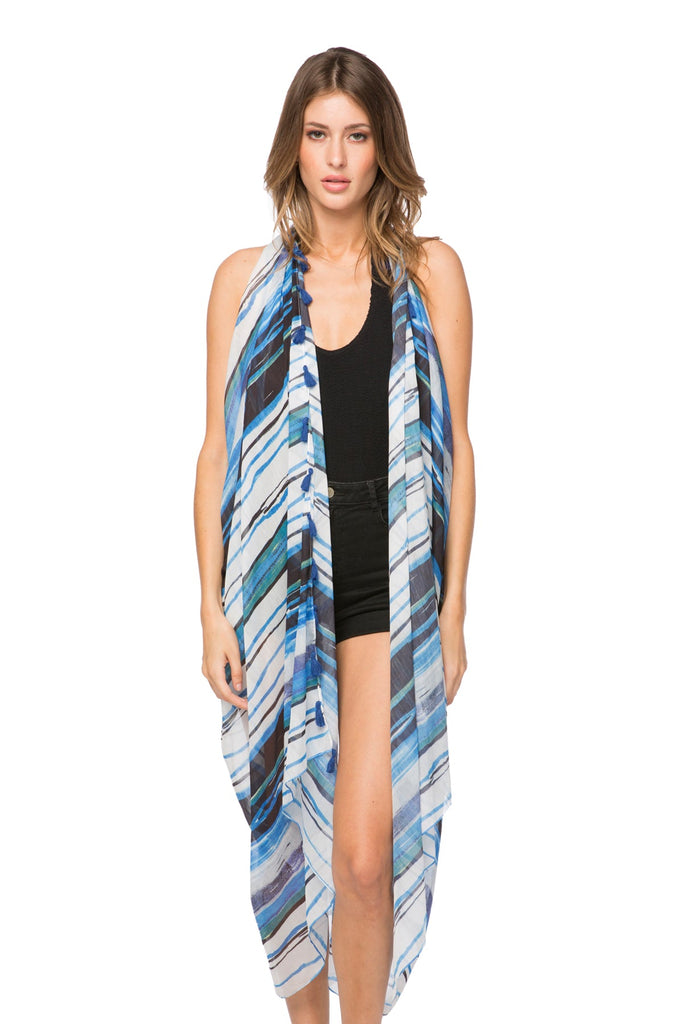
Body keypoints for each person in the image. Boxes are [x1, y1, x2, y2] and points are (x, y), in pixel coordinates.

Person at [193, 46, 474, 1024]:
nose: (337, 158)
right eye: (318, 135)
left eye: (356, 136)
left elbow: (457, 449)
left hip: (388, 573)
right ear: (294, 147)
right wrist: (208, 607)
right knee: (288, 837)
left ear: (382, 147)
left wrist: (452, 609)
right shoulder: (242, 283)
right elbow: (216, 455)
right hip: (276, 581)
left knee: (362, 856)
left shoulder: (429, 273)